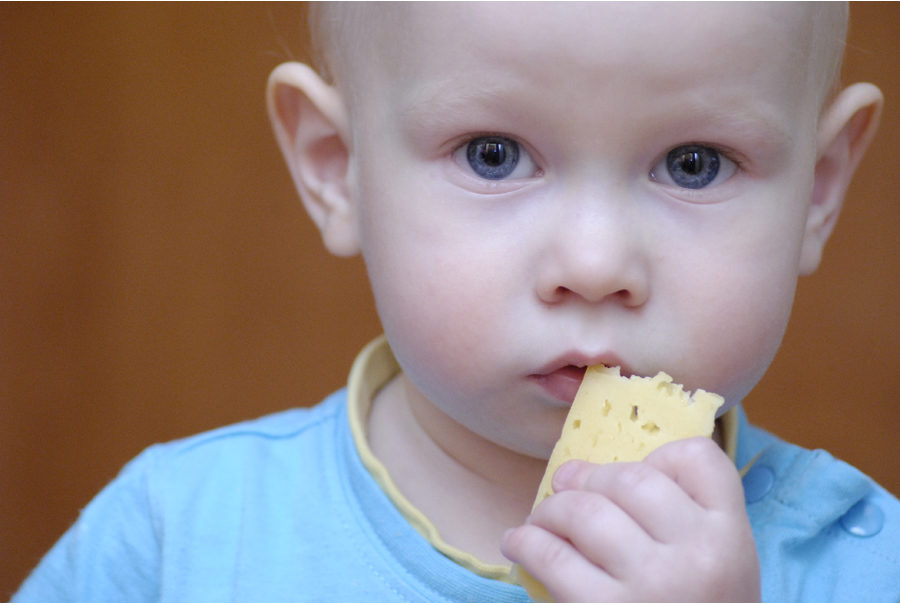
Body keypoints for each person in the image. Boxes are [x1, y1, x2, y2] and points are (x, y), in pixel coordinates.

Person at [13, 2, 898, 602]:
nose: (594, 263)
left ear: (817, 192)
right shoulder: (182, 541)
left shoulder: (860, 561)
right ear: (337, 167)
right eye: (493, 154)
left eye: (693, 163)